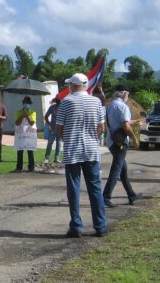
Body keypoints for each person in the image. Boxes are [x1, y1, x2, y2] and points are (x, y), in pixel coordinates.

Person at [56, 73, 106, 238]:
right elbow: (101, 127)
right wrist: (92, 138)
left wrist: (68, 139)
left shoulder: (66, 102)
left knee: (74, 189)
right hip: (92, 150)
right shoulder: (97, 101)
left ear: (72, 85)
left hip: (73, 151)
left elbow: (59, 128)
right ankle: (100, 225)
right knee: (95, 188)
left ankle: (76, 226)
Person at [103, 86, 139, 208]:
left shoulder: (110, 106)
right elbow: (126, 126)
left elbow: (123, 122)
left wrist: (136, 121)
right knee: (117, 170)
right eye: (127, 94)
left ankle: (131, 195)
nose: (127, 96)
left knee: (122, 170)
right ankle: (106, 196)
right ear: (123, 94)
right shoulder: (123, 107)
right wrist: (134, 138)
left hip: (111, 141)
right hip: (120, 143)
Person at [14, 96, 37, 172]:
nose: (27, 104)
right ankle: (19, 167)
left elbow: (32, 123)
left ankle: (31, 167)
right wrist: (22, 116)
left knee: (30, 150)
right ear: (23, 103)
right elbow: (17, 123)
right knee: (20, 150)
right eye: (26, 103)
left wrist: (27, 116)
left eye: (29, 103)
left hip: (29, 135)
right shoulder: (18, 112)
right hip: (21, 135)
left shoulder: (33, 112)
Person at [43, 97, 62, 168]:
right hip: (53, 128)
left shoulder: (63, 108)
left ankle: (56, 158)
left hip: (60, 128)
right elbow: (46, 116)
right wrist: (49, 125)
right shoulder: (52, 107)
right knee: (50, 143)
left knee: (59, 144)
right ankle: (47, 158)